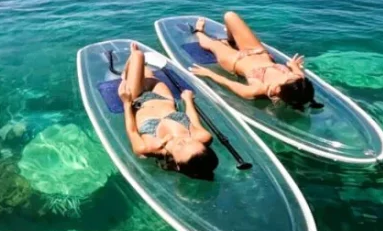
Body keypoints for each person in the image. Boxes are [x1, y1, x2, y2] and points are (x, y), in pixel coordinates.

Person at [118, 43, 218, 179]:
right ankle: (137, 71)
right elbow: (192, 119)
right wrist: (187, 100)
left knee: (138, 55)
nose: (182, 141)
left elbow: (132, 130)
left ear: (177, 164)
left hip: (137, 99)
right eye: (189, 141)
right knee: (147, 74)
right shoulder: (202, 137)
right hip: (162, 96)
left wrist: (126, 103)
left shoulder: (147, 148)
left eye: (180, 147)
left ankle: (125, 74)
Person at [189, 12, 317, 110]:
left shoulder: (257, 89)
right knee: (230, 16)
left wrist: (209, 74)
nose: (289, 73)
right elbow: (294, 69)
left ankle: (198, 31)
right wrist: (293, 65)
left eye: (287, 77)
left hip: (234, 61)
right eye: (291, 74)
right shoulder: (298, 79)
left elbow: (228, 83)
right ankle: (231, 40)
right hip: (258, 51)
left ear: (278, 90)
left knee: (212, 44)